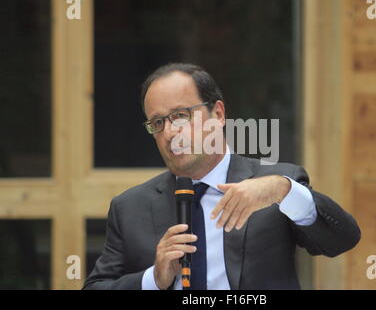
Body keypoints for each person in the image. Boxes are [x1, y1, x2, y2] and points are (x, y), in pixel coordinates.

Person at [83, 63, 360, 290]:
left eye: (180, 115)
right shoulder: (130, 207)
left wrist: (283, 191)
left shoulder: (276, 185)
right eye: (157, 123)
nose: (169, 133)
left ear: (217, 113)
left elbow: (342, 239)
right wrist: (153, 279)